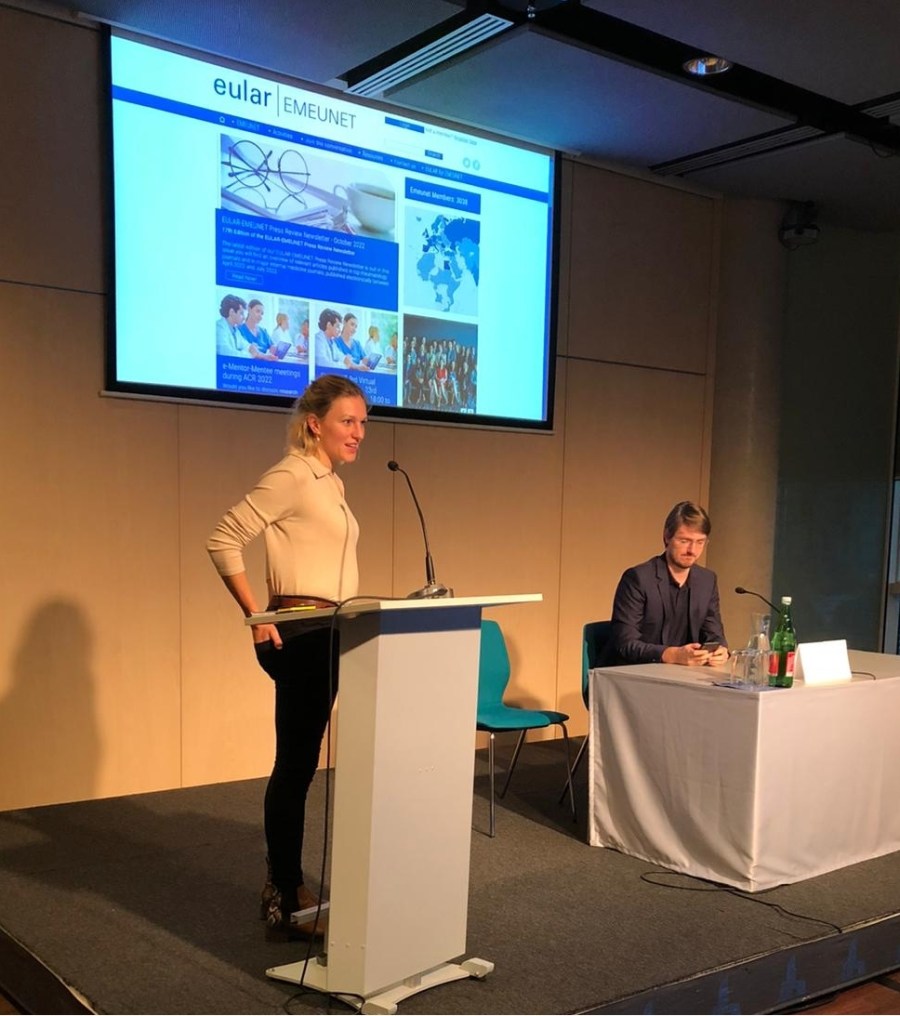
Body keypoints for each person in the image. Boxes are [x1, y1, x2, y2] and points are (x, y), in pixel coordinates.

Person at [206, 375, 368, 939]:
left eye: (363, 422)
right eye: (347, 421)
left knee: (300, 765)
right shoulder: (294, 475)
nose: (358, 432)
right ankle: (285, 892)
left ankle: (287, 887)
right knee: (296, 767)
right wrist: (257, 616)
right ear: (315, 424)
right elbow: (223, 537)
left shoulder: (330, 483)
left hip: (332, 630)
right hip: (302, 634)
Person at [603, 501, 729, 667]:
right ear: (667, 537)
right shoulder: (638, 578)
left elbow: (714, 634)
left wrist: (721, 651)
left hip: (684, 673)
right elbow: (625, 643)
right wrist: (673, 655)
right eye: (684, 541)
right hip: (636, 671)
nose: (692, 550)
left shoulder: (707, 580)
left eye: (700, 542)